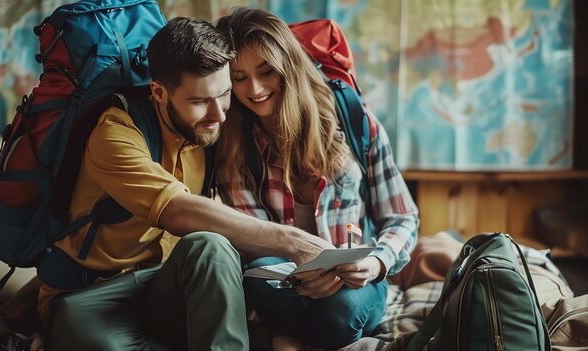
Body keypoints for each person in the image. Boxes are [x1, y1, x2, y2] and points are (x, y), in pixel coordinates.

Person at [35, 17, 334, 351]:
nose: (218, 114)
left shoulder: (213, 130)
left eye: (224, 94)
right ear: (159, 92)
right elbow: (177, 209)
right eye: (199, 101)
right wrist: (293, 241)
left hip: (160, 289)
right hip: (91, 297)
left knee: (211, 246)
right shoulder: (114, 134)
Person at [215, 7, 419, 350]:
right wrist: (299, 266)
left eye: (266, 71)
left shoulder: (353, 119)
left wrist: (373, 263)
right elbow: (252, 239)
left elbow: (402, 216)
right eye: (239, 77)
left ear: (289, 67)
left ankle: (286, 339)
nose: (255, 88)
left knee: (341, 309)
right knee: (262, 275)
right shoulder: (233, 141)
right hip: (283, 279)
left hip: (355, 280)